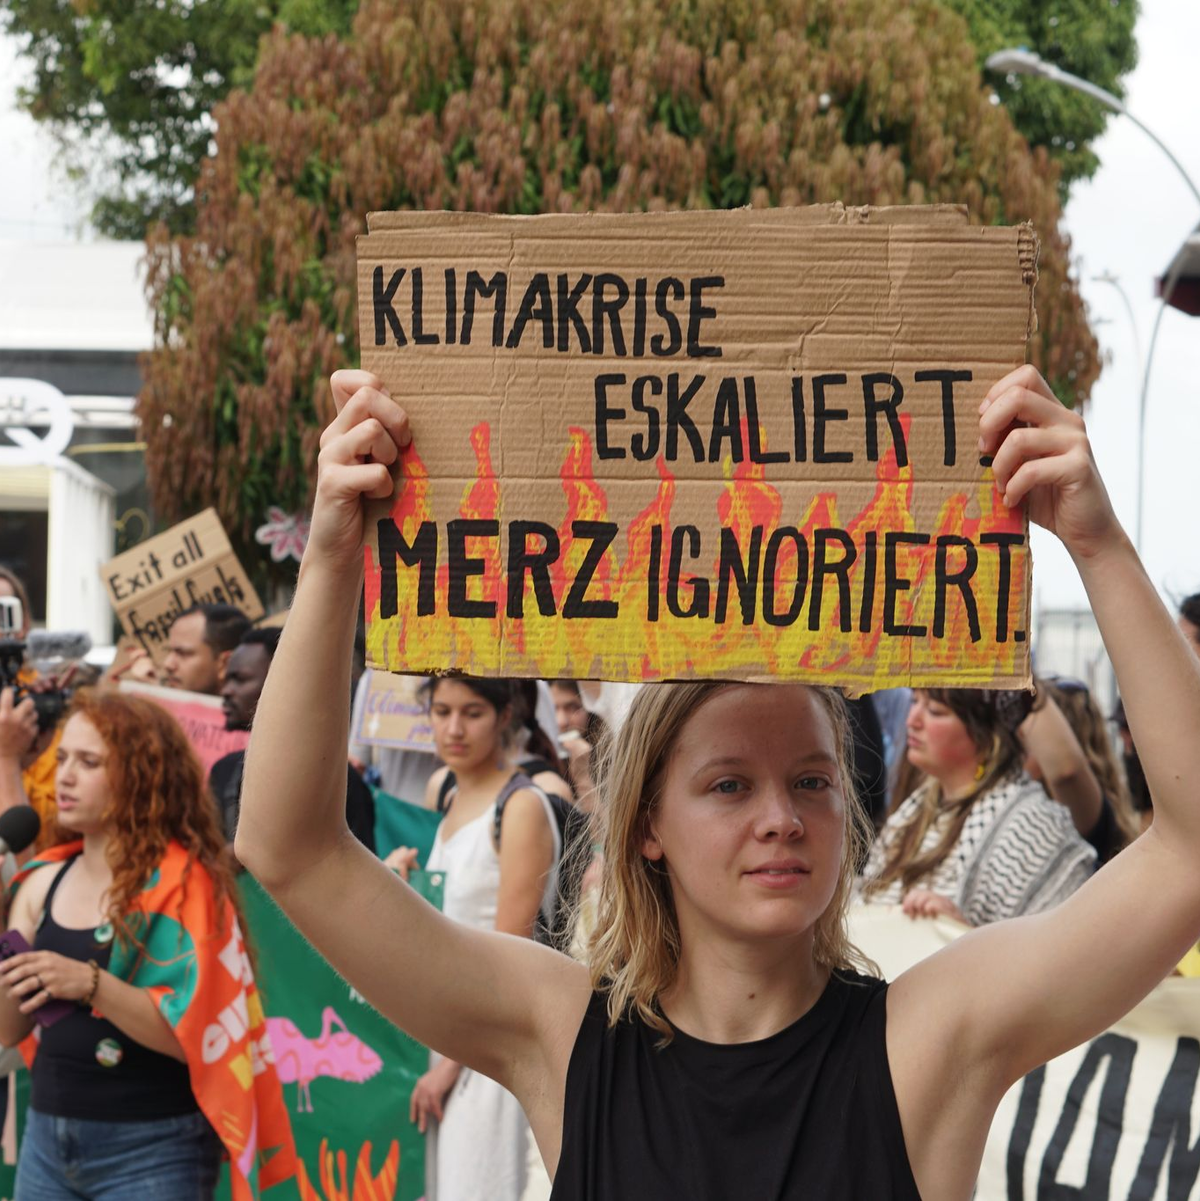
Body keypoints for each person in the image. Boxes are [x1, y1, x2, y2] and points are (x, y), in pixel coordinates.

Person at [236, 364, 1200, 1200]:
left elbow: (1188, 855)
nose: (782, 818)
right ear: (646, 820)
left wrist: (1098, 542)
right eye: (730, 785)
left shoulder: (933, 1034)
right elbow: (291, 852)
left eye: (813, 781)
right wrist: (332, 554)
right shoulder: (559, 1034)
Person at [0, 689, 294, 1200]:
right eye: (62, 757)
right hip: (47, 1137)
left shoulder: (186, 885)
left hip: (154, 1146)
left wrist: (90, 983)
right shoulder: (40, 881)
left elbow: (195, 1038)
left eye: (88, 762)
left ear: (141, 775)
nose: (64, 776)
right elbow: (8, 1028)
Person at [389, 675, 561, 1201]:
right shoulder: (442, 788)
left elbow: (509, 958)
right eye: (441, 712)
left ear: (505, 716)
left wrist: (449, 1068)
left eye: (472, 713)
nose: (453, 728)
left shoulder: (522, 804)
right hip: (443, 1032)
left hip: (490, 1048)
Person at [862, 687, 1096, 924]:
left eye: (935, 711)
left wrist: (961, 932)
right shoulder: (912, 812)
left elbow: (1059, 944)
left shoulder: (1034, 828)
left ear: (985, 735)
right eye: (914, 701)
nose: (912, 720)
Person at [210, 626, 375, 851]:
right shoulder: (224, 771)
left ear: (284, 684)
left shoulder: (338, 782)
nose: (227, 691)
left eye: (241, 679)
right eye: (227, 680)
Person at [1021, 677, 1137, 863]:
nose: (1019, 751)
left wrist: (1015, 669)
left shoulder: (1086, 812)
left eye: (1026, 739)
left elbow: (1066, 771)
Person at [162, 603, 251, 695]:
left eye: (182, 653)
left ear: (226, 664)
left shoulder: (263, 708)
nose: (168, 664)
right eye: (169, 651)